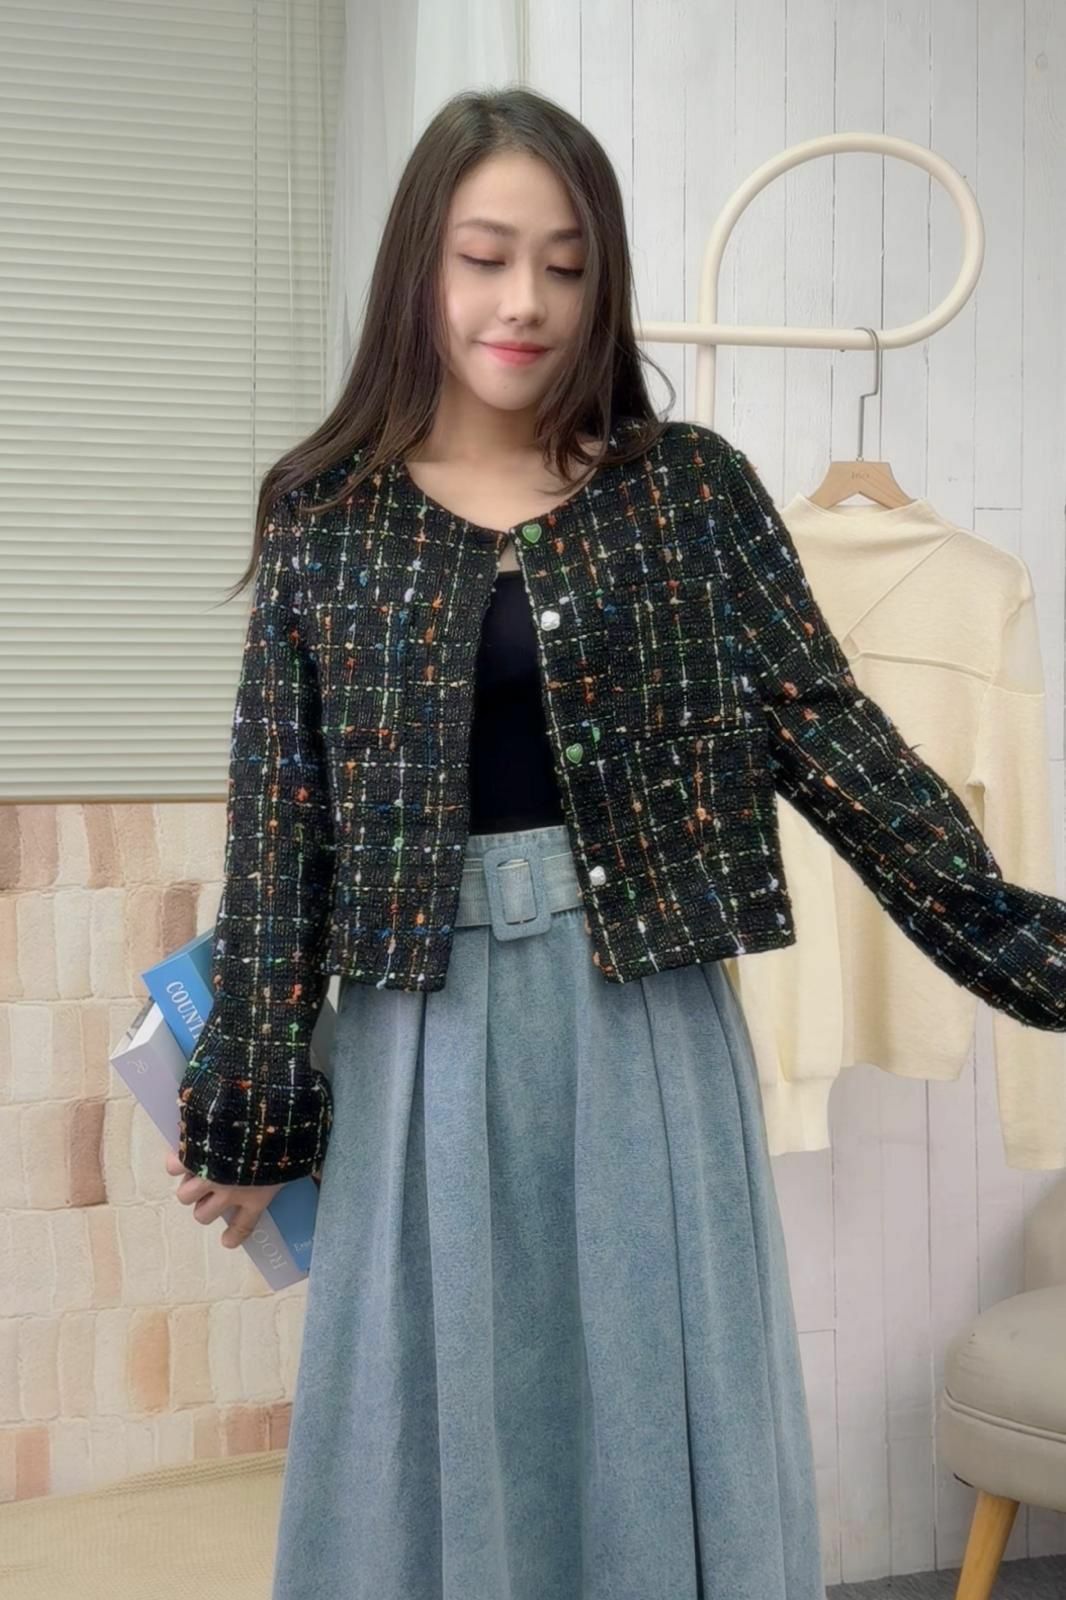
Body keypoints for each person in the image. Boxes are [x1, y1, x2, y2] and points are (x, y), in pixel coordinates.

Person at [168, 87, 1066, 1600]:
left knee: (659, 1408)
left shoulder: (686, 492)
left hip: (640, 1017)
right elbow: (281, 834)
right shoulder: (328, 516)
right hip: (418, 1034)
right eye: (485, 257)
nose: (524, 300)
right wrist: (249, 1115)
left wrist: (1032, 951)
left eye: (566, 265)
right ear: (419, 265)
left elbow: (834, 744)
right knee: (433, 1423)